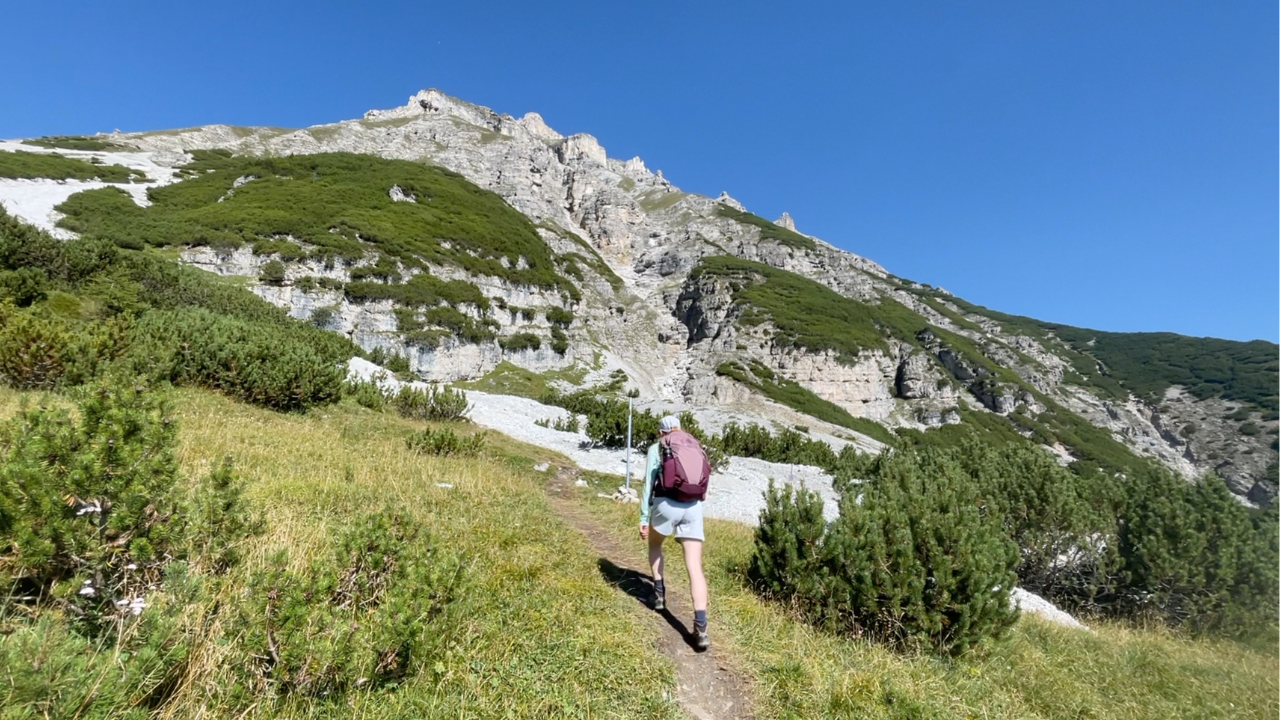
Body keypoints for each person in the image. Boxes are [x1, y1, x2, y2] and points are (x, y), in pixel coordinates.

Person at [639, 415, 711, 651]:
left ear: (661, 432)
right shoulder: (693, 444)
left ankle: (658, 595)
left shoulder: (657, 447)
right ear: (679, 429)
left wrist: (643, 518)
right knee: (694, 567)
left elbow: (648, 485)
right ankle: (701, 628)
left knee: (655, 545)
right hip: (693, 507)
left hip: (665, 504)